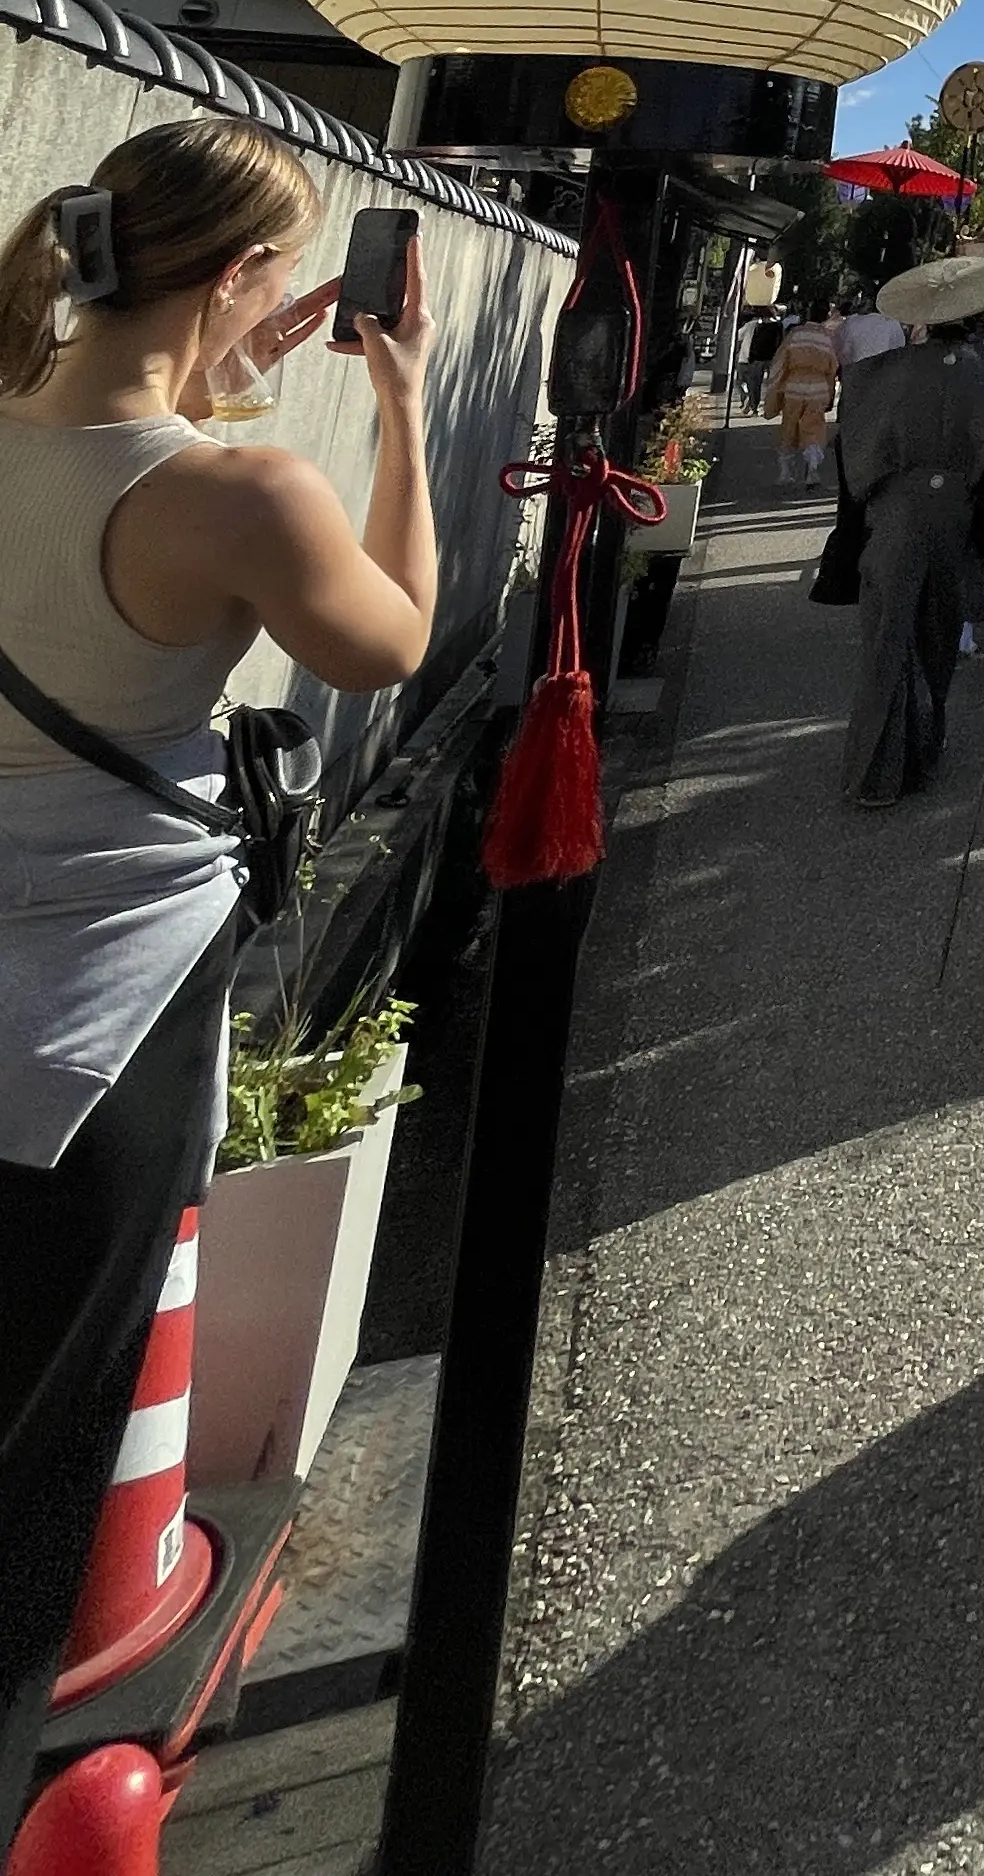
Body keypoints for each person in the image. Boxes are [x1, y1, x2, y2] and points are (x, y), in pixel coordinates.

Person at [0, 121, 436, 1807]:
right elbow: (391, 636)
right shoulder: (234, 491)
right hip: (87, 1053)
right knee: (30, 1504)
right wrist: (398, 400)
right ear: (243, 275)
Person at [831, 241, 984, 805]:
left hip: (891, 512)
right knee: (934, 638)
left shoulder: (881, 375)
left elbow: (854, 456)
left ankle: (875, 769)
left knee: (884, 641)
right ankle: (919, 752)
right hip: (950, 512)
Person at [762, 308, 840, 490]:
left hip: (794, 386)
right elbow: (832, 367)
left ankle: (785, 472)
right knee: (813, 429)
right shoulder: (827, 338)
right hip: (818, 388)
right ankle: (812, 470)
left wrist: (776, 390)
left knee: (788, 428)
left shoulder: (796, 334)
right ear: (826, 316)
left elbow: (781, 361)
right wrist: (829, 393)